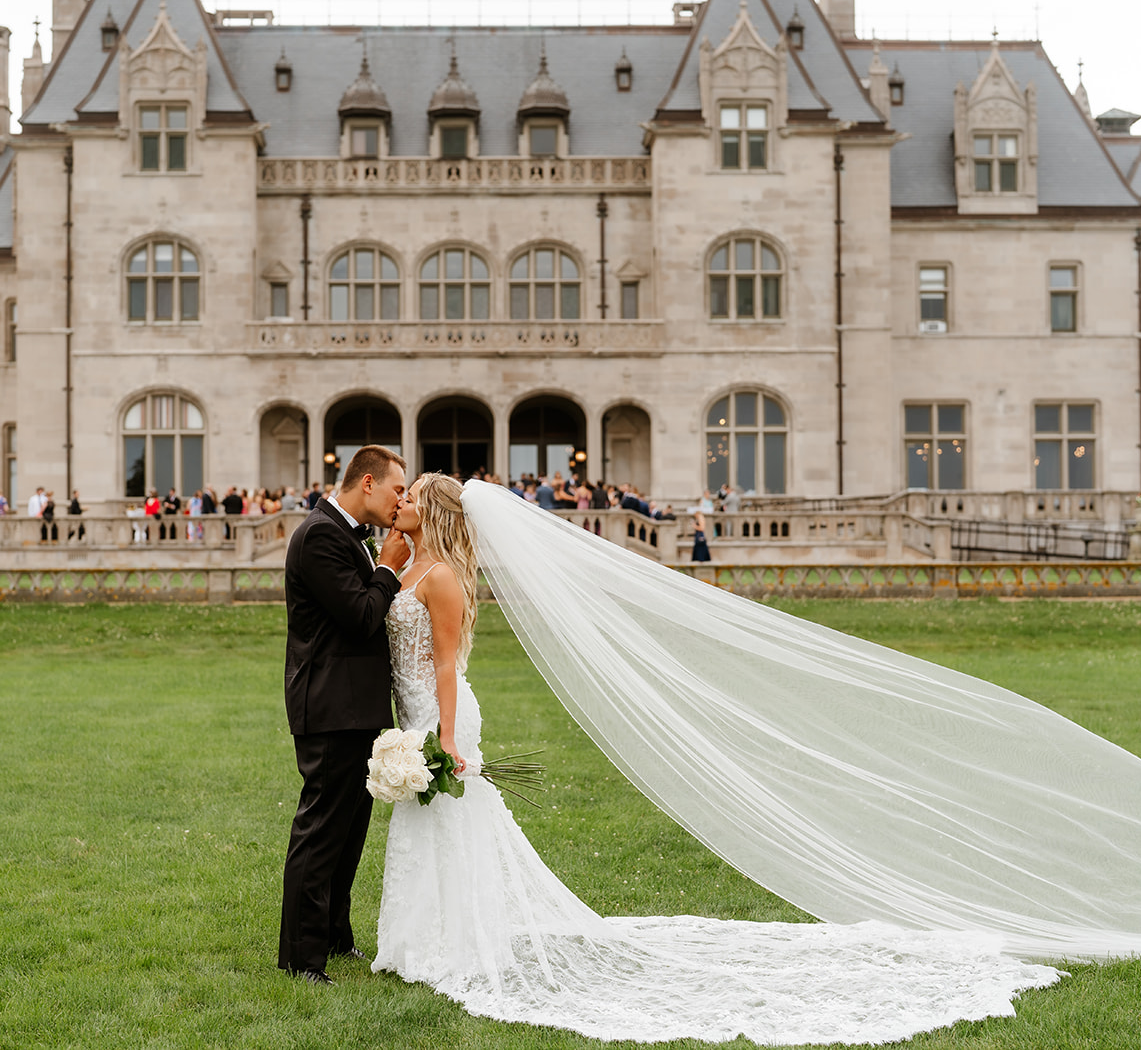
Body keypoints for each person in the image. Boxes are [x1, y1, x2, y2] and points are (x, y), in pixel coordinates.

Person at [368, 477, 1063, 1044]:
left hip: (440, 716)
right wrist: (389, 559)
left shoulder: (447, 578)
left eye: (407, 496)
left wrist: (450, 739)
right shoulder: (413, 562)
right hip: (414, 713)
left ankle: (450, 942)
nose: (396, 501)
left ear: (429, 508)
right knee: (433, 828)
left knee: (453, 824)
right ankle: (427, 937)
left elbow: (450, 668)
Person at [279, 445, 411, 986]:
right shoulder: (319, 536)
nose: (402, 499)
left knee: (350, 831)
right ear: (367, 483)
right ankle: (300, 958)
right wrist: (388, 568)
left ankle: (335, 937)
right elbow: (360, 616)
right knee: (322, 831)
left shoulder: (342, 534)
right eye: (398, 488)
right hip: (329, 706)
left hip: (355, 706)